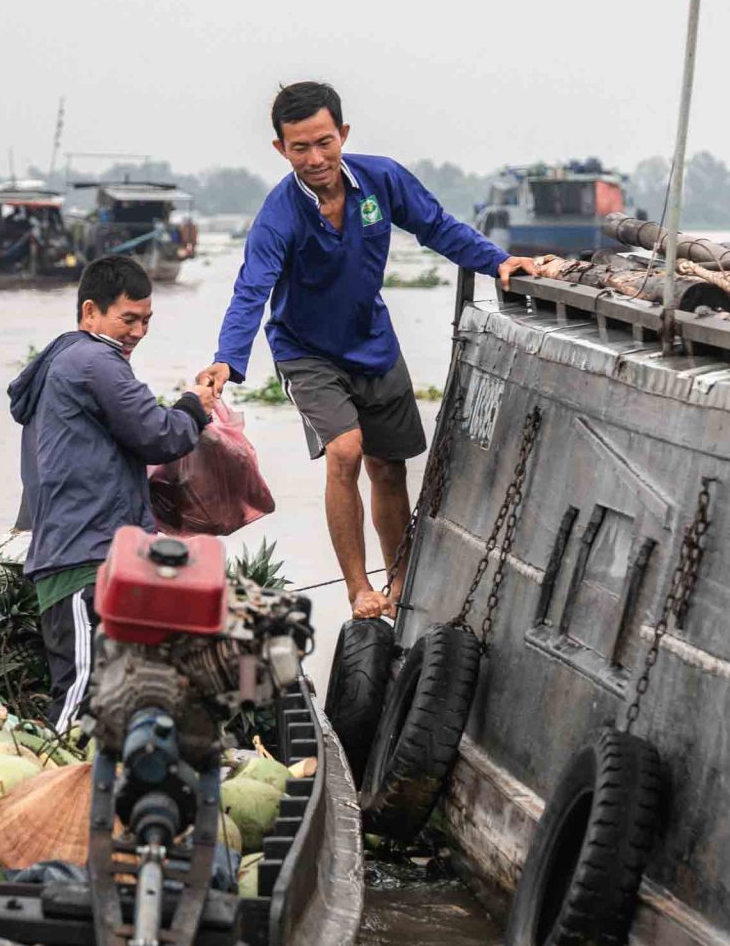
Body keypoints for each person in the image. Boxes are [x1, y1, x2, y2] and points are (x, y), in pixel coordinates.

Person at [195, 82, 535, 620]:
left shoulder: (381, 180)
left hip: (371, 340)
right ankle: (359, 590)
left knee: (388, 466)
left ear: (343, 135)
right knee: (346, 450)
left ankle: (398, 581)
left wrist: (498, 261)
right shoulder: (277, 216)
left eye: (324, 143)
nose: (316, 158)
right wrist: (226, 359)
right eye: (300, 148)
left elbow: (436, 227)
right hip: (305, 350)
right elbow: (251, 290)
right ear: (281, 150)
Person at [10, 255, 218, 729]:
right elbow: (158, 434)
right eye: (128, 319)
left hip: (90, 554)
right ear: (90, 313)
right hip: (84, 560)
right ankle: (54, 790)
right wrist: (193, 406)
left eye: (146, 320)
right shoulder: (93, 359)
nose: (139, 331)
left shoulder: (67, 360)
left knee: (113, 702)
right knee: (80, 698)